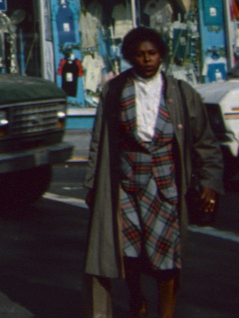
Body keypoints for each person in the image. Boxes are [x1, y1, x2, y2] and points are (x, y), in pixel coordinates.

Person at [84, 26, 224, 318]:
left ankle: (166, 314)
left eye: (152, 53)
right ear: (130, 57)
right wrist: (93, 184)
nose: (146, 60)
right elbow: (99, 140)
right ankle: (137, 299)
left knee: (167, 258)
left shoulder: (182, 93)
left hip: (166, 187)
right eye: (139, 55)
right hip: (126, 184)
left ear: (161, 55)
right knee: (129, 254)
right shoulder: (115, 90)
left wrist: (210, 182)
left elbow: (205, 143)